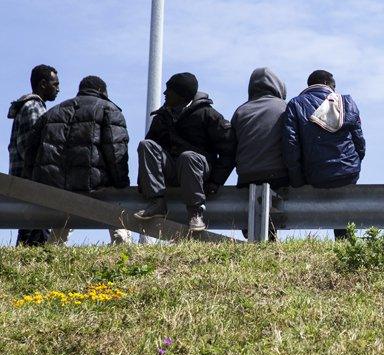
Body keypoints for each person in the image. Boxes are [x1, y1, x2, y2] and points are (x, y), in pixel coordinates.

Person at [23, 76, 131, 245]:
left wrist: (32, 183)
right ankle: (123, 250)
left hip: (55, 185)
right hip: (94, 184)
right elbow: (115, 150)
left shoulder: (52, 112)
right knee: (116, 216)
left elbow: (31, 150)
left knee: (63, 219)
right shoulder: (109, 109)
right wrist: (121, 183)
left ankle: (52, 250)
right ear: (102, 91)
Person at [135, 72, 236, 232]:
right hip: (172, 169)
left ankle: (195, 213)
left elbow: (229, 149)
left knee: (187, 156)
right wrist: (144, 182)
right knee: (146, 144)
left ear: (183, 94)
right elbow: (149, 154)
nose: (165, 93)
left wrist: (216, 182)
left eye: (170, 90)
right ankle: (157, 203)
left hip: (198, 171)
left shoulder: (207, 114)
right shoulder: (162, 116)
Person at [283, 70, 365, 240]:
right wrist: (354, 163)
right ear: (328, 84)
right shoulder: (346, 101)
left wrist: (298, 180)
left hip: (315, 174)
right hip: (348, 171)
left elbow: (291, 145)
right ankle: (346, 244)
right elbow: (359, 141)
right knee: (344, 213)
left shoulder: (296, 104)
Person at [231, 67, 289, 240]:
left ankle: (261, 238)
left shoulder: (241, 111)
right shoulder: (285, 108)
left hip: (247, 176)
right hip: (278, 175)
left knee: (254, 219)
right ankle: (269, 239)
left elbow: (230, 149)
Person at [7, 64, 59, 246]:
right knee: (35, 238)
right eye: (55, 84)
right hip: (31, 184)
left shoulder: (30, 107)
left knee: (29, 237)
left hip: (25, 183)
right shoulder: (34, 108)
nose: (58, 89)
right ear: (43, 84)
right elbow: (33, 150)